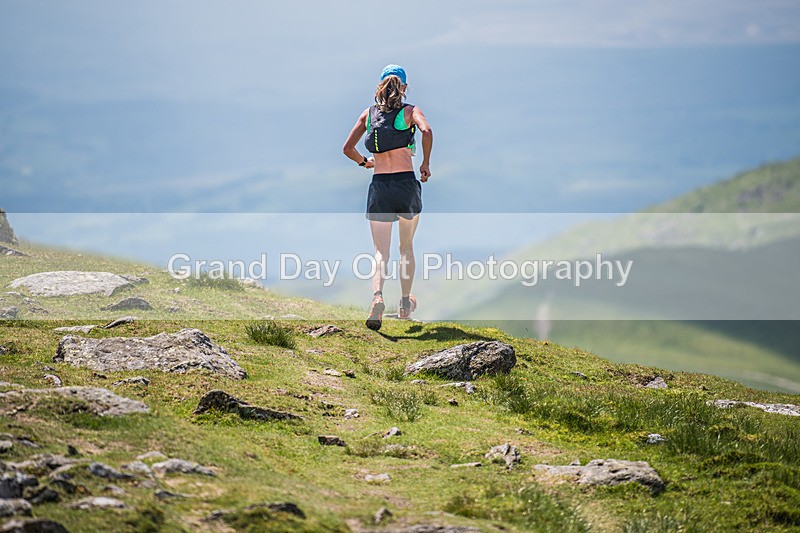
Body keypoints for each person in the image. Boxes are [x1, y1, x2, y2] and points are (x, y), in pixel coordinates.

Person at [342, 64, 433, 331]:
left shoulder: (369, 114)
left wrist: (364, 162)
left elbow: (347, 148)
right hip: (406, 183)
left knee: (381, 251)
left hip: (380, 184)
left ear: (380, 86)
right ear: (404, 87)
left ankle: (377, 298)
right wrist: (426, 163)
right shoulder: (409, 112)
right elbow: (426, 131)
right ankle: (405, 303)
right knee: (406, 248)